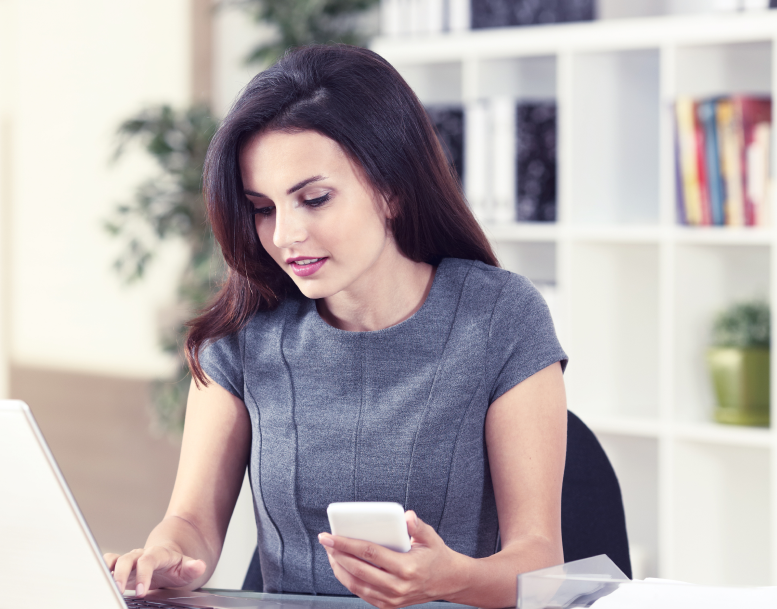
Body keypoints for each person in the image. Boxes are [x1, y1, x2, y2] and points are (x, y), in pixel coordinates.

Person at [104, 44, 568, 609]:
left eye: (314, 199)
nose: (284, 236)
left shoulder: (501, 317)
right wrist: (167, 557)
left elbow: (541, 557)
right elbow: (191, 521)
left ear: (391, 188)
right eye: (264, 207)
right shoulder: (242, 334)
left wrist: (450, 578)